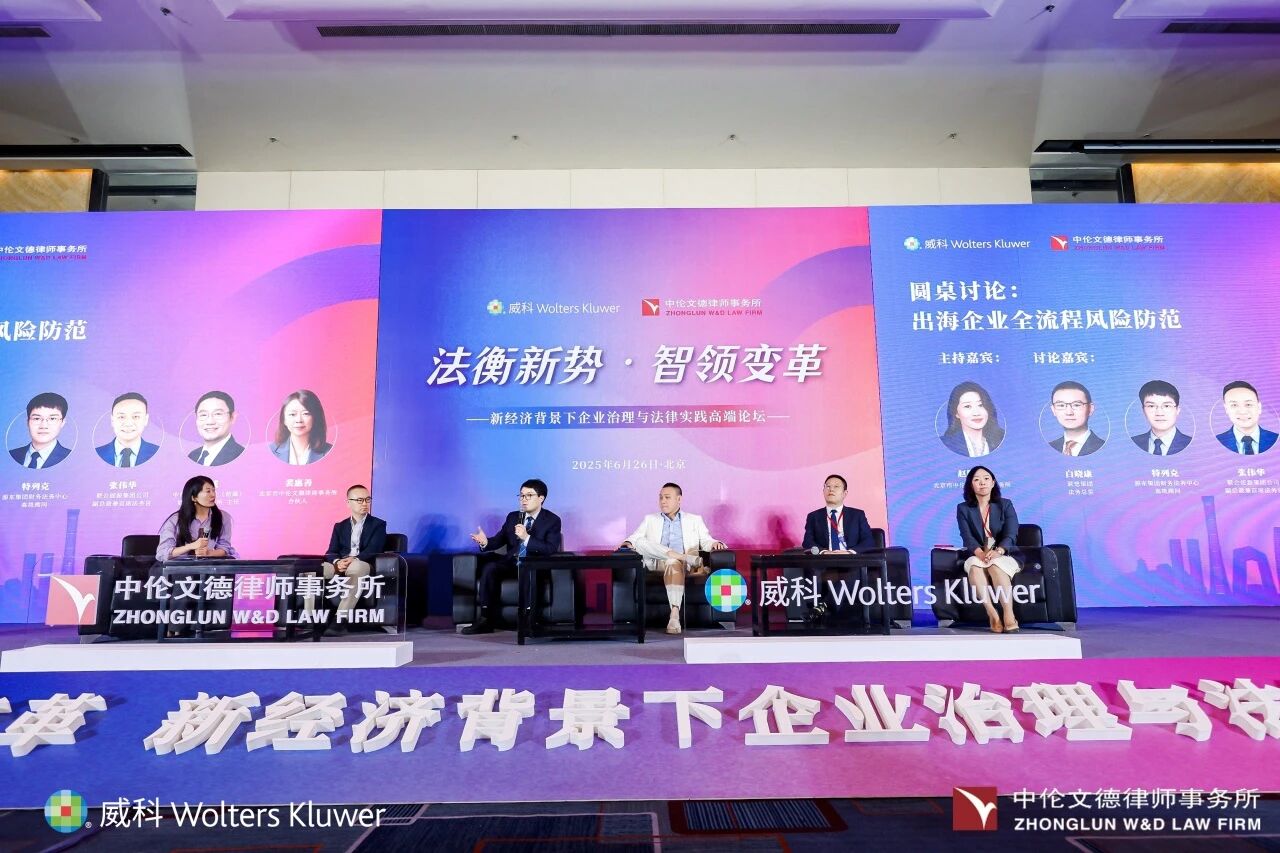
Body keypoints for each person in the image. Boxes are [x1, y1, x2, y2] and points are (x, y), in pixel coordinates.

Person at [621, 482, 726, 636]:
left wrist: (715, 543)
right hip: (657, 563)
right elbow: (635, 538)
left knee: (672, 562)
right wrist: (628, 543)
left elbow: (705, 540)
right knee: (640, 542)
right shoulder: (650, 519)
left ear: (679, 499)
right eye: (660, 498)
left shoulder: (694, 520)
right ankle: (682, 556)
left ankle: (674, 615)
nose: (663, 501)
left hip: (683, 566)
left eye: (667, 497)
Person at [462, 478, 563, 635]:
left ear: (541, 498)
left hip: (534, 565)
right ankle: (486, 619)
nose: (524, 499)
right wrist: (485, 542)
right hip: (511, 562)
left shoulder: (552, 520)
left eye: (529, 495)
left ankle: (528, 620)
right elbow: (499, 540)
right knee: (490, 568)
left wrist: (526, 538)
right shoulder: (513, 517)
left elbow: (550, 548)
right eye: (521, 495)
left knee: (528, 571)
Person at [307, 484, 387, 635]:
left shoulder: (378, 524)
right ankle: (311, 619)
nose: (365, 503)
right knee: (311, 572)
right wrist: (337, 562)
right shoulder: (340, 526)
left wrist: (354, 559)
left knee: (356, 568)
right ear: (348, 502)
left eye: (368, 499)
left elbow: (374, 549)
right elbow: (331, 551)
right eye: (360, 500)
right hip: (341, 564)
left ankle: (340, 620)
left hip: (363, 563)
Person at [956, 465, 1021, 634]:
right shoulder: (963, 508)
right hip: (978, 554)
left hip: (1003, 554)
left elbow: (1011, 533)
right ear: (971, 485)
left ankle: (1008, 614)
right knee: (974, 566)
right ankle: (992, 613)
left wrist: (998, 551)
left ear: (993, 483)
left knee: (995, 566)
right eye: (976, 480)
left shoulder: (1005, 504)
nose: (982, 483)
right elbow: (966, 536)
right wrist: (980, 553)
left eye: (986, 479)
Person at [156, 475, 238, 561]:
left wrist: (208, 553)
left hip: (209, 566)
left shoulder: (223, 517)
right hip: (180, 567)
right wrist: (190, 546)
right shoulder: (175, 519)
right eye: (208, 491)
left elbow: (224, 548)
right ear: (194, 497)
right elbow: (161, 554)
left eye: (213, 490)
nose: (213, 495)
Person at [801, 474, 875, 554]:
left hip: (851, 559)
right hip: (824, 559)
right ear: (823, 492)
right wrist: (823, 552)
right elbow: (807, 542)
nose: (831, 489)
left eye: (836, 486)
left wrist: (849, 552)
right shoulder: (813, 516)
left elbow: (868, 541)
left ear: (844, 493)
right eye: (828, 486)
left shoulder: (857, 515)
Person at [940, 381, 1004, 458]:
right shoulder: (945, 443)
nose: (976, 413)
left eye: (980, 405)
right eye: (967, 406)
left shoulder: (1001, 439)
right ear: (956, 413)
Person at [9, 392, 72, 469]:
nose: (43, 426)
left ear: (62, 422)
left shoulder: (71, 458)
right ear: (27, 422)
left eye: (52, 418)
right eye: (37, 418)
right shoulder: (12, 455)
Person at [95, 392, 159, 467]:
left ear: (146, 420)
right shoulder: (97, 453)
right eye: (121, 417)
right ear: (112, 420)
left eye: (135, 417)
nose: (128, 423)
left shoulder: (158, 453)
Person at [270, 389, 332, 465]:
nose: (299, 420)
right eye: (292, 414)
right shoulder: (271, 451)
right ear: (284, 419)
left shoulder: (330, 452)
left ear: (315, 417)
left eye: (306, 414)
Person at [1130, 379, 1191, 456]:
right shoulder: (1132, 443)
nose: (1159, 413)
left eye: (1166, 406)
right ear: (1143, 410)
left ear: (1177, 410)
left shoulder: (1192, 444)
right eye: (1151, 406)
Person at [1216, 380, 1277, 455]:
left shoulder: (1276, 439)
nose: (1242, 412)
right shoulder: (1216, 443)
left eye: (1248, 404)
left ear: (1259, 407)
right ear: (1226, 409)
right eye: (1234, 405)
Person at [1047, 381, 1105, 457]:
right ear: (1053, 410)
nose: (1069, 412)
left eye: (1076, 405)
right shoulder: (1049, 448)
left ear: (1090, 409)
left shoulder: (1103, 447)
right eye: (1061, 405)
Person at [188, 391, 245, 466]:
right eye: (203, 415)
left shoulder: (240, 455)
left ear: (232, 417)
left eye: (218, 414)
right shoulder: (192, 456)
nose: (210, 422)